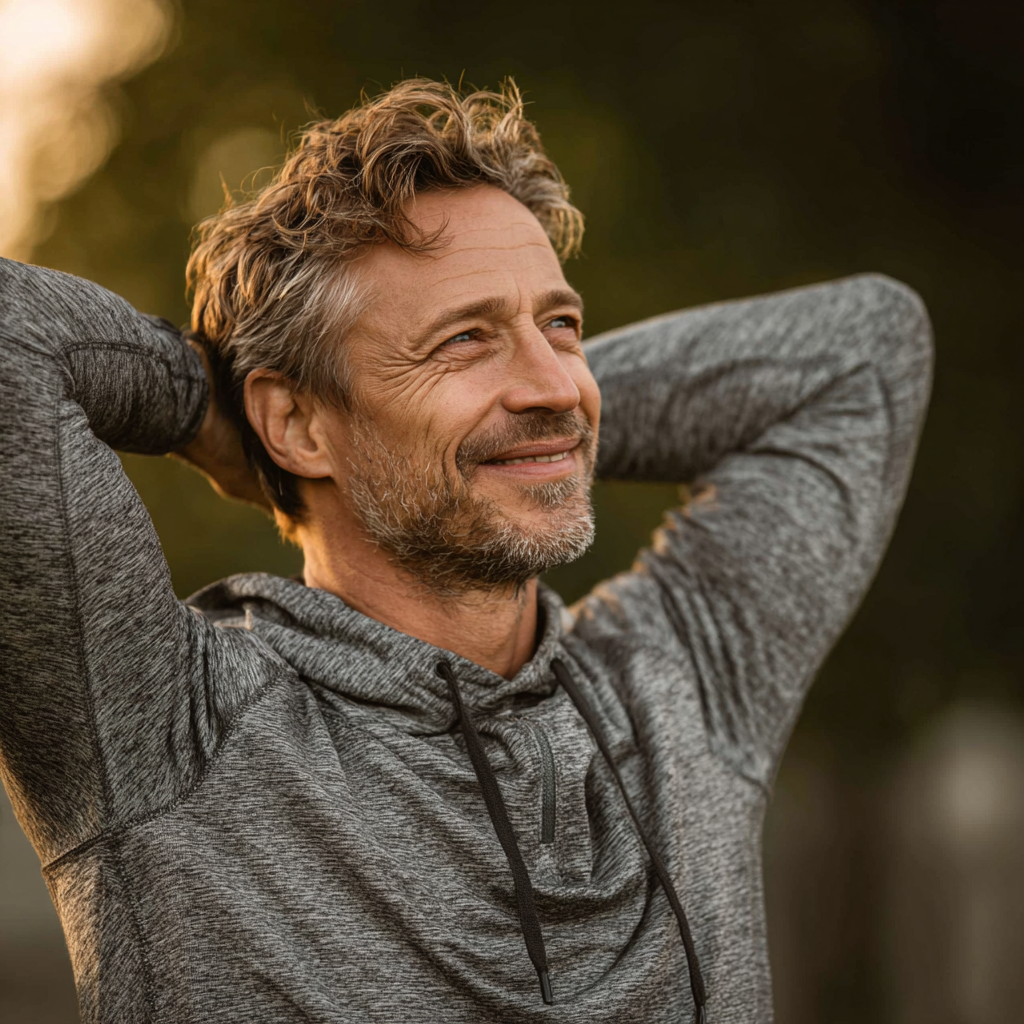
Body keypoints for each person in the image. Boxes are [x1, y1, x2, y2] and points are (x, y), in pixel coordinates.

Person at [0, 79, 932, 1023]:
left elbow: (867, 351)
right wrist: (219, 408)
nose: (556, 382)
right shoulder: (161, 725)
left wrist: (522, 425)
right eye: (465, 339)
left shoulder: (679, 681)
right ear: (295, 421)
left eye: (560, 325)